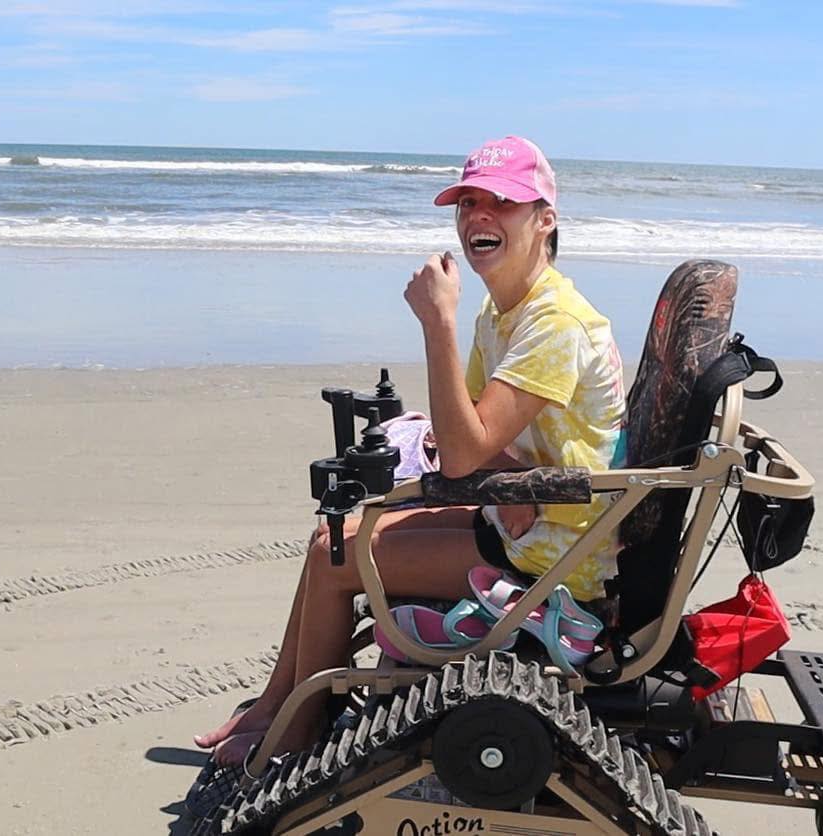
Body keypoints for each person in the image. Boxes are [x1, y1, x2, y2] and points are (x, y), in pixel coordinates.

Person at [194, 136, 626, 765]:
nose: (479, 216)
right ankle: (275, 704)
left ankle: (294, 730)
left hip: (560, 552)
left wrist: (437, 324)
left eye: (502, 202)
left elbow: (459, 452)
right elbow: (472, 441)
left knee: (338, 558)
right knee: (334, 534)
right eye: (468, 202)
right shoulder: (506, 311)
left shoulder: (554, 323)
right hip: (523, 512)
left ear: (544, 220)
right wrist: (512, 470)